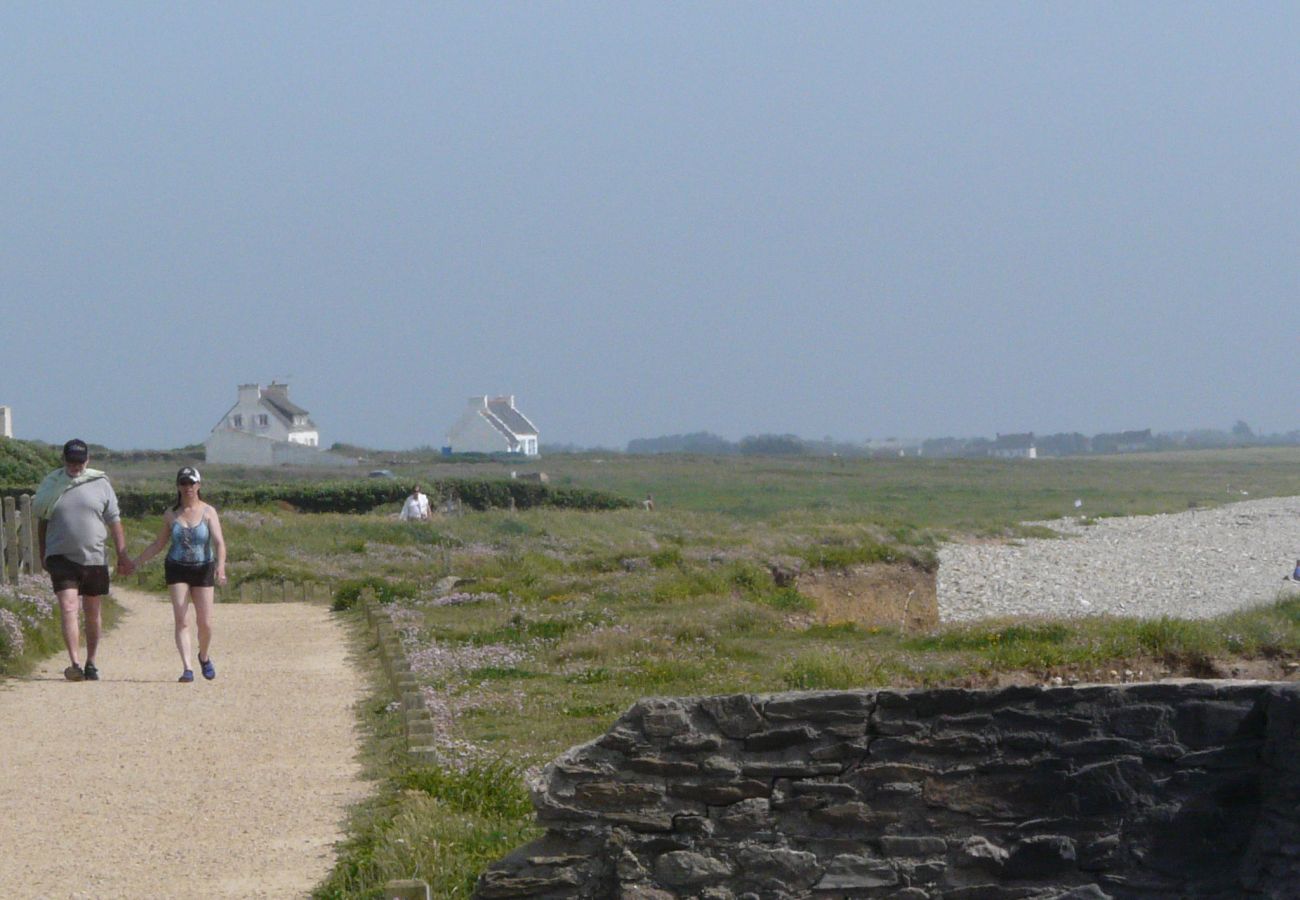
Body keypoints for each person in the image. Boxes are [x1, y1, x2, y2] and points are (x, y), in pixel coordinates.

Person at [34, 439, 135, 681]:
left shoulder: (100, 483)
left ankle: (91, 661)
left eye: (79, 462)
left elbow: (114, 520)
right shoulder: (52, 484)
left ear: (87, 461)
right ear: (64, 460)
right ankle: (74, 663)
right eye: (71, 462)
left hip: (94, 557)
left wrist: (122, 554)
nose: (75, 467)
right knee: (69, 606)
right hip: (61, 556)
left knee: (92, 611)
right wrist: (43, 552)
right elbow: (42, 519)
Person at [134, 467, 227, 682]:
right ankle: (187, 668)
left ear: (199, 485)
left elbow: (219, 543)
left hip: (203, 567)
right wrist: (135, 562)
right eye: (184, 483)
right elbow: (159, 544)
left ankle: (203, 656)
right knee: (181, 620)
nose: (188, 488)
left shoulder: (208, 512)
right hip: (177, 568)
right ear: (178, 486)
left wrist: (221, 566)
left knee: (205, 623)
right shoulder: (171, 514)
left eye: (192, 483)